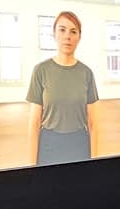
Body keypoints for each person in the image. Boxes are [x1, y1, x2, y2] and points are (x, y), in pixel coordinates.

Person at [26, 11, 100, 166]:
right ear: (54, 34)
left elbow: (93, 124)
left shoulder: (86, 73)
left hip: (79, 144)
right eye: (62, 30)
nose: (68, 36)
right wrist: (30, 167)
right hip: (49, 145)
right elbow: (34, 124)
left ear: (79, 37)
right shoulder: (41, 70)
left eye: (73, 31)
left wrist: (96, 162)